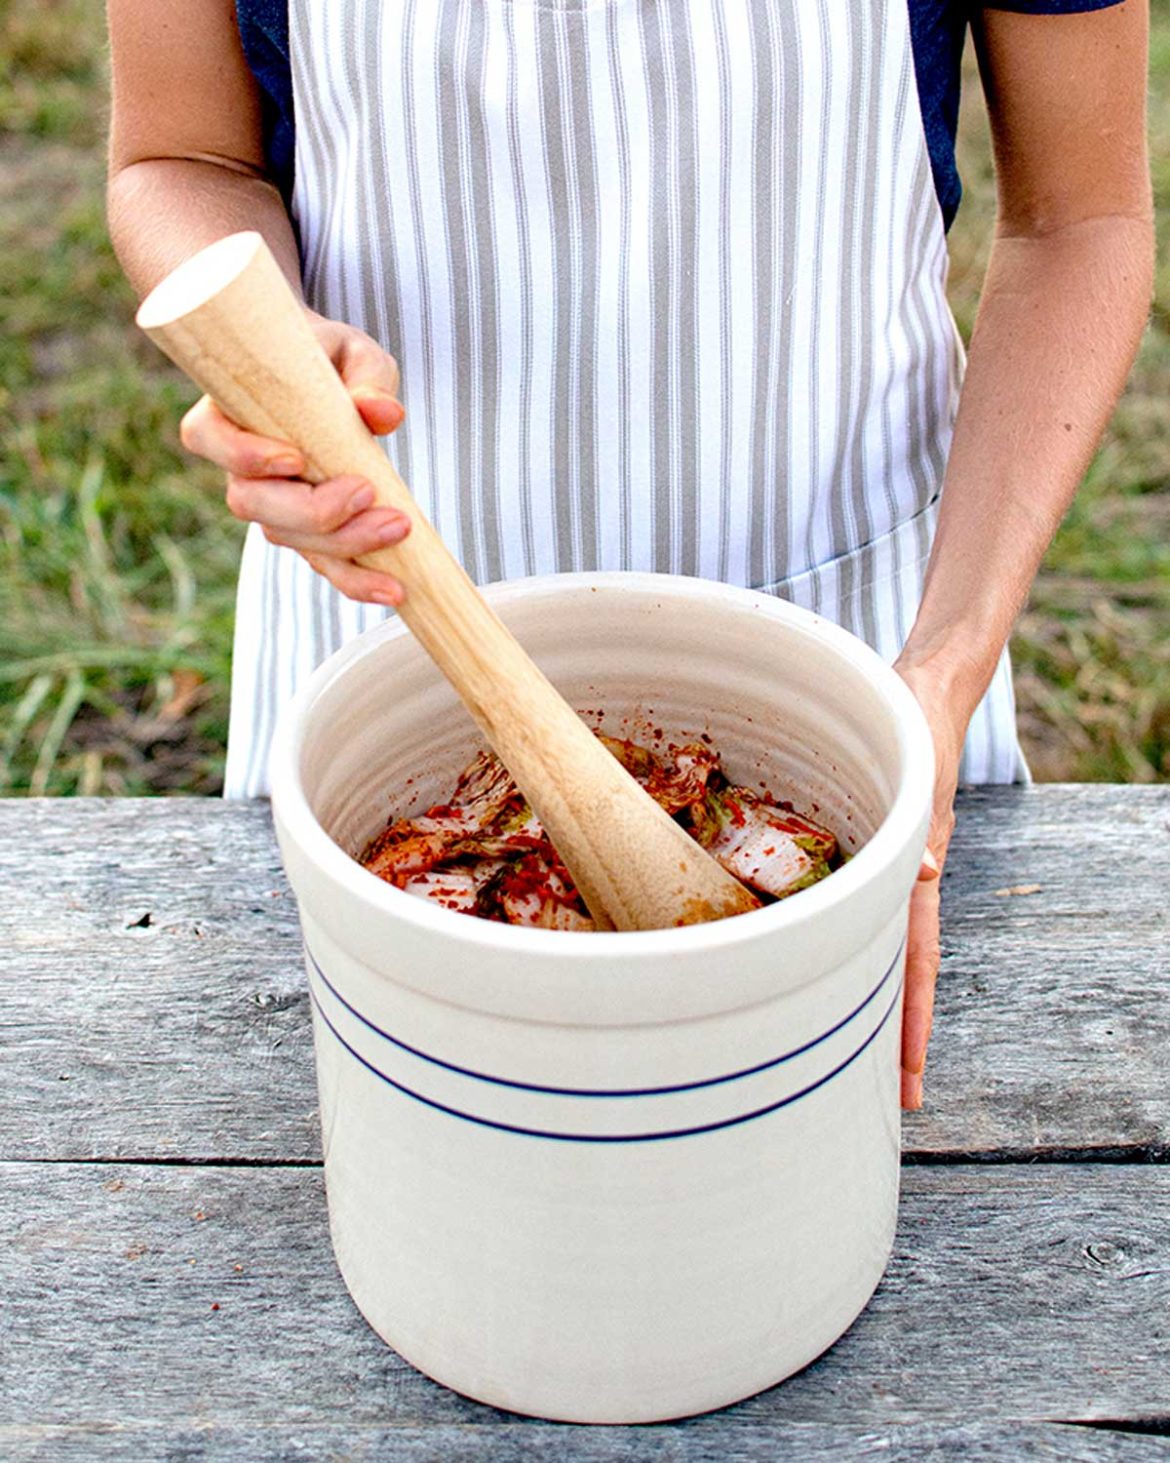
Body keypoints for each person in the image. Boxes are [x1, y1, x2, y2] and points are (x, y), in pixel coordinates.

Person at [106, 0, 1153, 1109]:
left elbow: (1079, 220)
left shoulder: (906, 694)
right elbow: (181, 155)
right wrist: (271, 360)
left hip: (876, 668)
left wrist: (940, 674)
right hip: (382, 656)